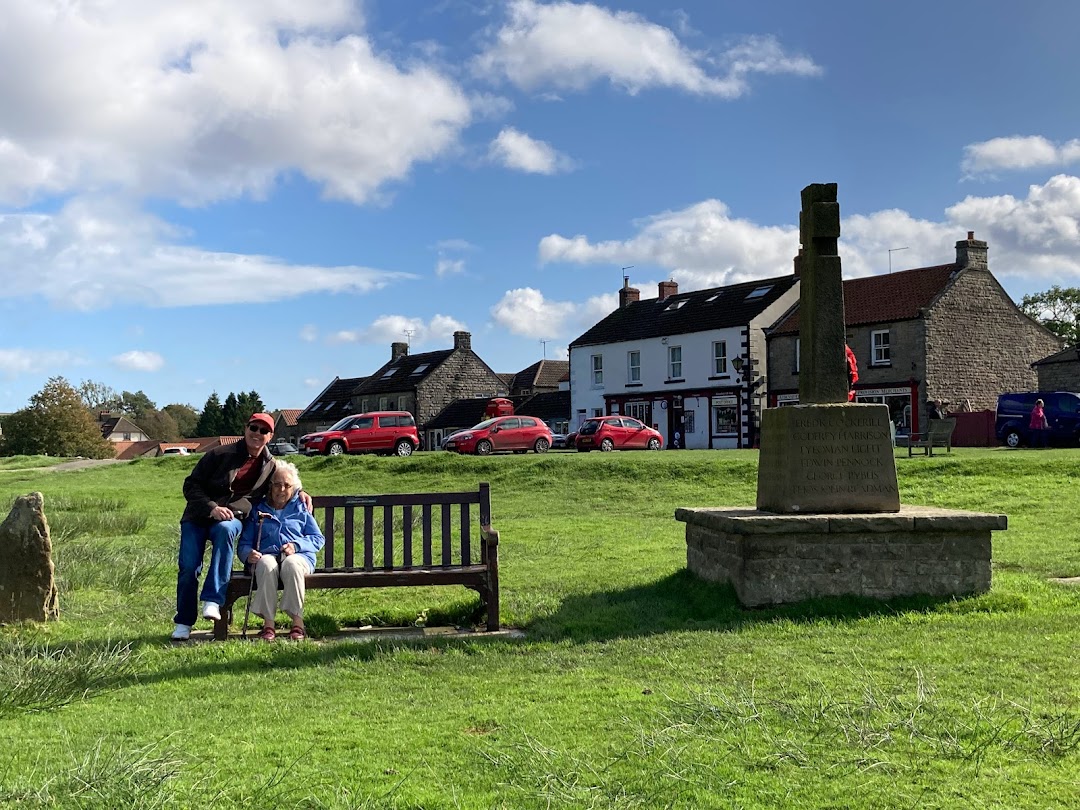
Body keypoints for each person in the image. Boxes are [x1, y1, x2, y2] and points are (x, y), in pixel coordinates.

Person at [172, 412, 308, 641]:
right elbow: (191, 485)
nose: (257, 434)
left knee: (226, 530)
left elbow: (287, 480)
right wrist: (212, 507)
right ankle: (184, 622)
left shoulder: (270, 465)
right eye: (254, 428)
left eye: (264, 431)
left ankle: (213, 600)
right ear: (246, 429)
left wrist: (302, 492)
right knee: (188, 567)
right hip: (198, 516)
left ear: (270, 436)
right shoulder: (218, 454)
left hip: (229, 518)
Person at [237, 461, 324, 641]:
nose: (282, 489)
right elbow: (244, 544)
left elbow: (318, 538)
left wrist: (296, 546)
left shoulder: (300, 507)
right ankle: (268, 626)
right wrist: (248, 555)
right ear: (270, 486)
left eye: (287, 485)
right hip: (266, 557)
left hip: (298, 558)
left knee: (292, 564)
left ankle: (297, 624)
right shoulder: (258, 509)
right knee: (267, 563)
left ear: (294, 488)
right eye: (277, 484)